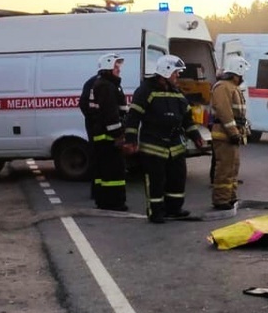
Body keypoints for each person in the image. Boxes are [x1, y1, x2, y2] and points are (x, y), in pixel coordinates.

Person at [123, 55, 204, 223]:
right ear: (165, 72)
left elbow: (187, 118)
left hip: (175, 145)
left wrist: (195, 136)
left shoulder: (177, 93)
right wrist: (131, 139)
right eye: (176, 72)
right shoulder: (146, 90)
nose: (178, 76)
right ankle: (156, 212)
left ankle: (174, 209)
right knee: (156, 181)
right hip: (154, 144)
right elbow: (134, 116)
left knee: (177, 177)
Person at [79, 53, 129, 211]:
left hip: (102, 135)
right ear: (108, 67)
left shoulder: (103, 84)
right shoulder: (107, 86)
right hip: (109, 138)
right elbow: (111, 115)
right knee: (114, 173)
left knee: (103, 173)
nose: (119, 69)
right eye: (116, 66)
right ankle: (115, 203)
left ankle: (103, 200)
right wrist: (119, 135)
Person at [209, 56, 250, 212]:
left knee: (233, 168)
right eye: (242, 74)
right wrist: (233, 132)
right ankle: (221, 200)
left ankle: (230, 197)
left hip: (231, 134)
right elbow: (225, 112)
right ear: (237, 72)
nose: (242, 78)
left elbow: (237, 114)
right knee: (224, 169)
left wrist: (241, 131)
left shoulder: (232, 87)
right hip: (224, 135)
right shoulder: (222, 87)